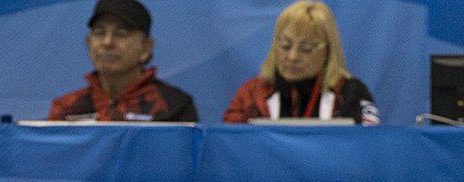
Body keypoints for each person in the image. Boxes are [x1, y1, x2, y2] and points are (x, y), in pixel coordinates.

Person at [224, 1, 379, 124]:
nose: (292, 57)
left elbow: (366, 147)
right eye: (285, 46)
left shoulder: (351, 93)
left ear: (328, 51)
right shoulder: (251, 94)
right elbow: (231, 148)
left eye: (306, 49)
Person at [49, 0, 198, 122]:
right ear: (88, 43)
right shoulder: (66, 107)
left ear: (146, 47)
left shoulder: (175, 106)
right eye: (100, 32)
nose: (107, 42)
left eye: (121, 33)